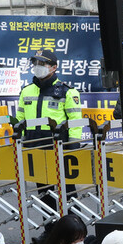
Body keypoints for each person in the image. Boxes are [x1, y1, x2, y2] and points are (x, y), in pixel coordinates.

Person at [15, 48, 82, 209]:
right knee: (43, 191)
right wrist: (20, 141)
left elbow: (75, 121)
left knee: (67, 189)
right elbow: (20, 119)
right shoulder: (26, 91)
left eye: (42, 63)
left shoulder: (67, 91)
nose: (37, 66)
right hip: (34, 144)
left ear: (54, 67)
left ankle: (74, 227)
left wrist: (72, 147)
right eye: (35, 62)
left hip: (58, 145)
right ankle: (49, 228)